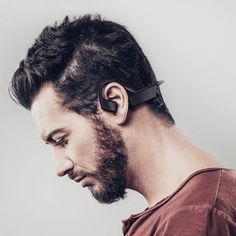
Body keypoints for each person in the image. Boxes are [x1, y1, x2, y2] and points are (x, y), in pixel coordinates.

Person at [9, 14, 236, 235]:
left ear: (115, 103)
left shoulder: (194, 218)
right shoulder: (197, 206)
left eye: (61, 140)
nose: (60, 168)